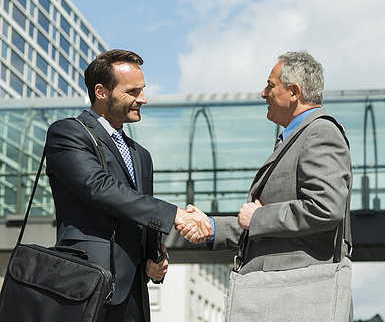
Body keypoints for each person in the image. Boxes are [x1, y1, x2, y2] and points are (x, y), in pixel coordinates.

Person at [45, 49, 212, 322]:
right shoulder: (68, 133)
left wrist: (155, 255)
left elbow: (137, 212)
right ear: (101, 92)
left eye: (143, 90)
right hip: (87, 282)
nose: (143, 99)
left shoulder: (140, 154)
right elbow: (98, 187)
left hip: (134, 292)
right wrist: (175, 214)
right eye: (133, 92)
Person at [180, 51, 352, 306]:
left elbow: (325, 208)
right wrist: (212, 228)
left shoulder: (320, 133)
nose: (263, 93)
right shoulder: (298, 138)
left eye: (270, 86)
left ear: (294, 92)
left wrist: (258, 217)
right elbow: (270, 227)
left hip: (298, 298)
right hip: (284, 295)